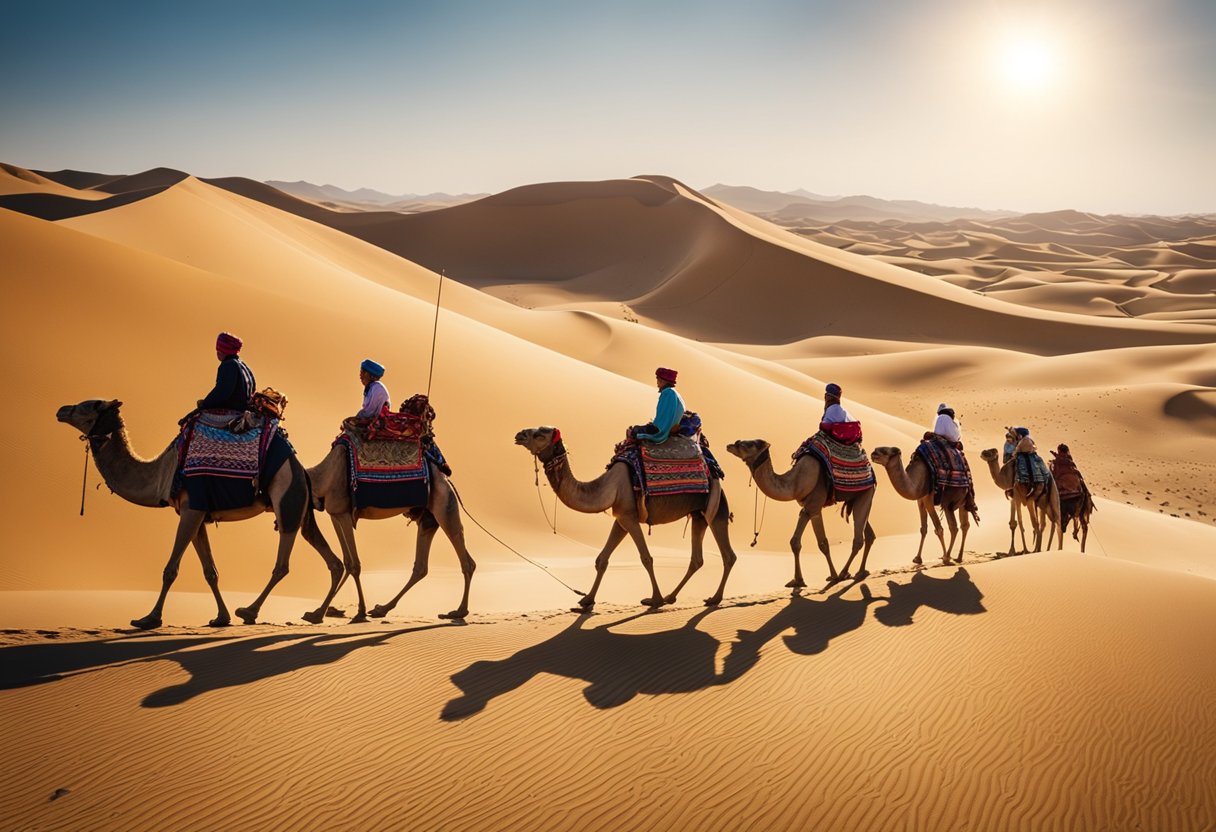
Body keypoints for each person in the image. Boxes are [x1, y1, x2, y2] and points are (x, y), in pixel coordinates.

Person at [198, 331, 256, 412]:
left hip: (235, 410)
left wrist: (205, 403)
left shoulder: (229, 365)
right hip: (244, 407)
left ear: (222, 351)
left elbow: (222, 391)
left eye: (218, 350)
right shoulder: (242, 364)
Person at [634, 367, 685, 444]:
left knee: (634, 431)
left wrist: (656, 433)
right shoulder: (672, 392)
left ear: (663, 381)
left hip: (662, 431)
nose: (657, 382)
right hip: (666, 428)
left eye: (658, 379)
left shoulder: (668, 393)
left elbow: (665, 421)